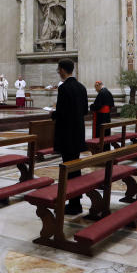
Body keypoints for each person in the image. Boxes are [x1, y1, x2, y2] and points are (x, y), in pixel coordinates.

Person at [51, 58, 88, 215]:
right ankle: (75, 202)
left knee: (68, 169)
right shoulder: (81, 87)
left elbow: (61, 113)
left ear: (63, 70)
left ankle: (74, 205)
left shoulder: (64, 88)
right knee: (75, 168)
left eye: (58, 69)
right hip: (78, 134)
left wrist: (53, 113)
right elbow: (85, 110)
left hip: (67, 135)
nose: (58, 72)